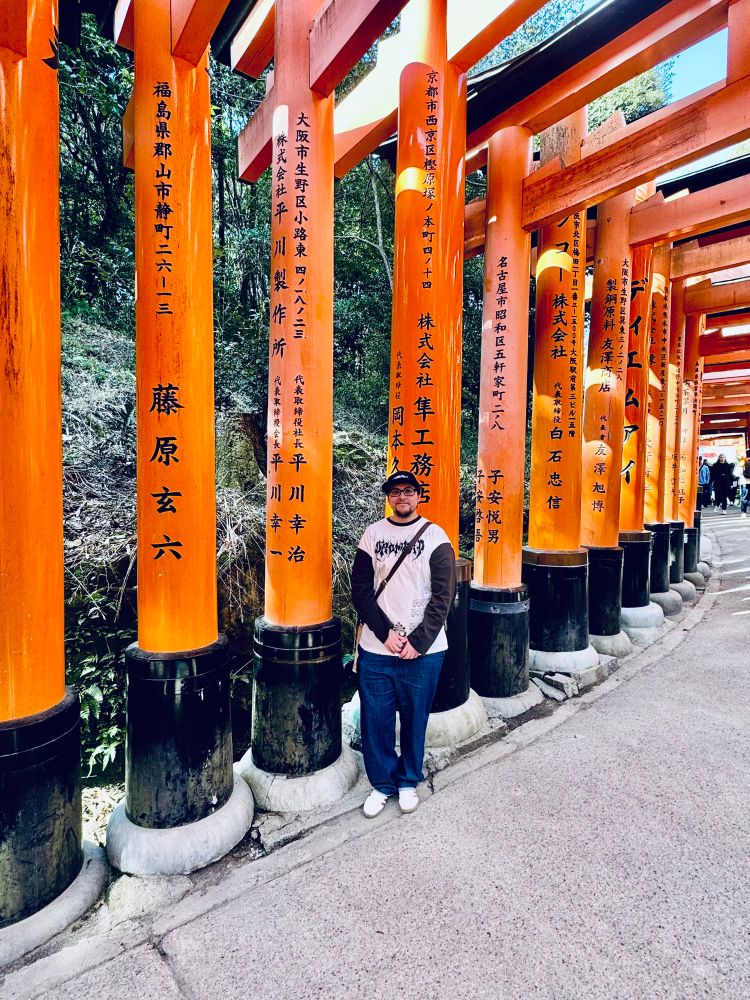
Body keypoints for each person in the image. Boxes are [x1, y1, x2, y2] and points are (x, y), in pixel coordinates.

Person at [351, 471, 456, 818]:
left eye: (408, 491)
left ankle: (408, 780)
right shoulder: (372, 535)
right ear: (388, 497)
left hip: (422, 652)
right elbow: (361, 591)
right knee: (376, 719)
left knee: (415, 718)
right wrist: (385, 634)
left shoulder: (436, 537)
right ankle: (382, 784)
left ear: (418, 496)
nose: (402, 498)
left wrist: (418, 641)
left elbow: (444, 596)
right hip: (377, 648)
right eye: (395, 492)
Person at [741, 449, 750, 519]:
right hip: (748, 482)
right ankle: (743, 512)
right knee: (747, 497)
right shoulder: (747, 462)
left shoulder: (745, 462)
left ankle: (743, 512)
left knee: (746, 497)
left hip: (747, 482)